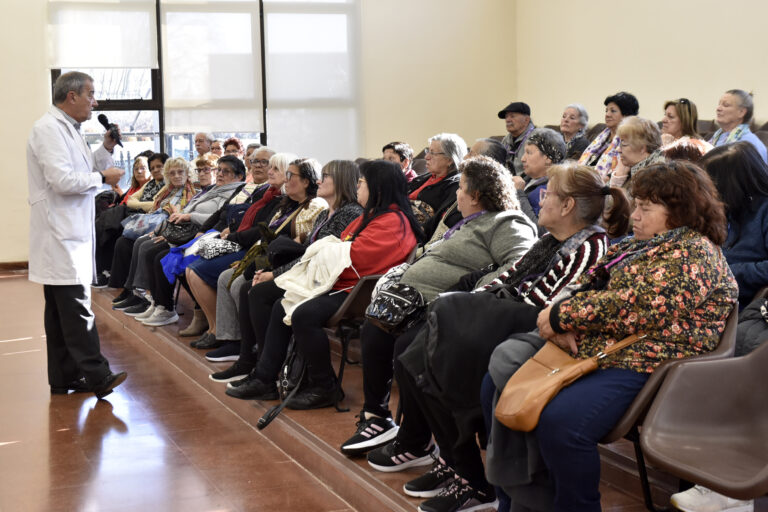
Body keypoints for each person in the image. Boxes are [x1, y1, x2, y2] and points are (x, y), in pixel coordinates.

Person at [365, 164, 630, 512]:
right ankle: (458, 465)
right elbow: (508, 278)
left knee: (434, 350)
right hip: (508, 322)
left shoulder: (591, 248)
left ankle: (473, 478)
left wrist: (469, 310)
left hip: (530, 334)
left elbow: (549, 308)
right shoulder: (550, 241)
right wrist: (471, 303)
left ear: (567, 206)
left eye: (548, 193)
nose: (541, 198)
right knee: (415, 358)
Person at [482, 161, 737, 512]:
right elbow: (588, 284)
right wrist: (562, 319)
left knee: (562, 424)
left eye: (646, 208)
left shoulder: (696, 253)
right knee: (494, 383)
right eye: (638, 204)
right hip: (601, 349)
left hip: (651, 364)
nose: (635, 214)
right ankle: (517, 501)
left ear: (680, 212)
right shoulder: (640, 245)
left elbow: (636, 306)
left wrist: (559, 316)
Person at [339, 156, 538, 455]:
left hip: (449, 309)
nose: (456, 193)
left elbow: (519, 265)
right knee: (374, 331)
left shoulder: (507, 222)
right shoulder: (460, 220)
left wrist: (471, 289)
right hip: (414, 303)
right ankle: (376, 416)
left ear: (477, 194)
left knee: (408, 347)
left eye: (461, 187)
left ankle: (415, 439)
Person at [226, 160, 425, 408]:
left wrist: (324, 252)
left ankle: (325, 387)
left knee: (302, 314)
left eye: (362, 183)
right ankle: (266, 377)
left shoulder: (394, 221)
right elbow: (339, 246)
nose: (358, 187)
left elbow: (357, 257)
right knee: (280, 304)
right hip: (340, 282)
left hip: (358, 291)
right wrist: (325, 252)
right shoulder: (373, 215)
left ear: (378, 189)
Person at [212, 159, 363, 384]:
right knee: (249, 288)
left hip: (324, 280)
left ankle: (266, 369)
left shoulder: (350, 214)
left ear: (341, 180)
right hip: (309, 274)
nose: (320, 181)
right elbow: (308, 253)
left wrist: (276, 274)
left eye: (326, 176)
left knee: (259, 292)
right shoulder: (325, 214)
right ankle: (251, 360)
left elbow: (318, 258)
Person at [26, 70, 127, 399]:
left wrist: (106, 148)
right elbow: (63, 181)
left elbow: (84, 170)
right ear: (72, 97)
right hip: (60, 235)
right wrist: (102, 177)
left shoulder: (67, 128)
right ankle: (98, 376)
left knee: (58, 314)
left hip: (68, 233)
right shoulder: (48, 130)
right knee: (77, 308)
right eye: (91, 94)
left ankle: (64, 377)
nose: (94, 102)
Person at [200, 158, 328, 361]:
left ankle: (257, 348)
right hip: (266, 256)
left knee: (240, 284)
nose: (285, 179)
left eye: (290, 175)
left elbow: (302, 243)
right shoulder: (285, 204)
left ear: (306, 181)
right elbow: (265, 234)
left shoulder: (315, 205)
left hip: (286, 263)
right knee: (226, 277)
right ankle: (234, 341)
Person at [701, 141, 768, 308]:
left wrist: (726, 271)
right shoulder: (732, 206)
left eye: (710, 184)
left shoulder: (764, 209)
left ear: (729, 185)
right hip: (712, 289)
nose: (705, 191)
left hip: (737, 303)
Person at [409, 133, 467, 238]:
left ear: (449, 159)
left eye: (433, 153)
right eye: (427, 151)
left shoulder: (455, 185)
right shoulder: (423, 178)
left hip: (415, 235)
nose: (426, 157)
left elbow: (438, 221)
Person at [579, 91, 639, 179]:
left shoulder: (632, 139)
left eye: (613, 111)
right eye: (606, 111)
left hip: (600, 183)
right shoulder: (602, 137)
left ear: (626, 115)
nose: (607, 115)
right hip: (584, 178)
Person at [514, 127, 566, 223]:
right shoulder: (527, 179)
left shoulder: (550, 191)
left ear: (548, 158)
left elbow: (540, 230)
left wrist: (519, 194)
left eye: (529, 153)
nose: (522, 159)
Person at [709, 89, 768, 162]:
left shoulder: (748, 144)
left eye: (726, 105)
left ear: (741, 112)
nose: (718, 108)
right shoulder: (717, 137)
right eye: (719, 104)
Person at [610, 116, 665, 190]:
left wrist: (617, 180)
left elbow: (613, 201)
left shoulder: (655, 176)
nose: (618, 150)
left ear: (642, 148)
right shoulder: (630, 167)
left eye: (624, 144)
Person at [498, 101, 535, 176]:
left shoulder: (536, 138)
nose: (507, 120)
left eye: (512, 116)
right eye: (506, 117)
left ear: (526, 120)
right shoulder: (506, 139)